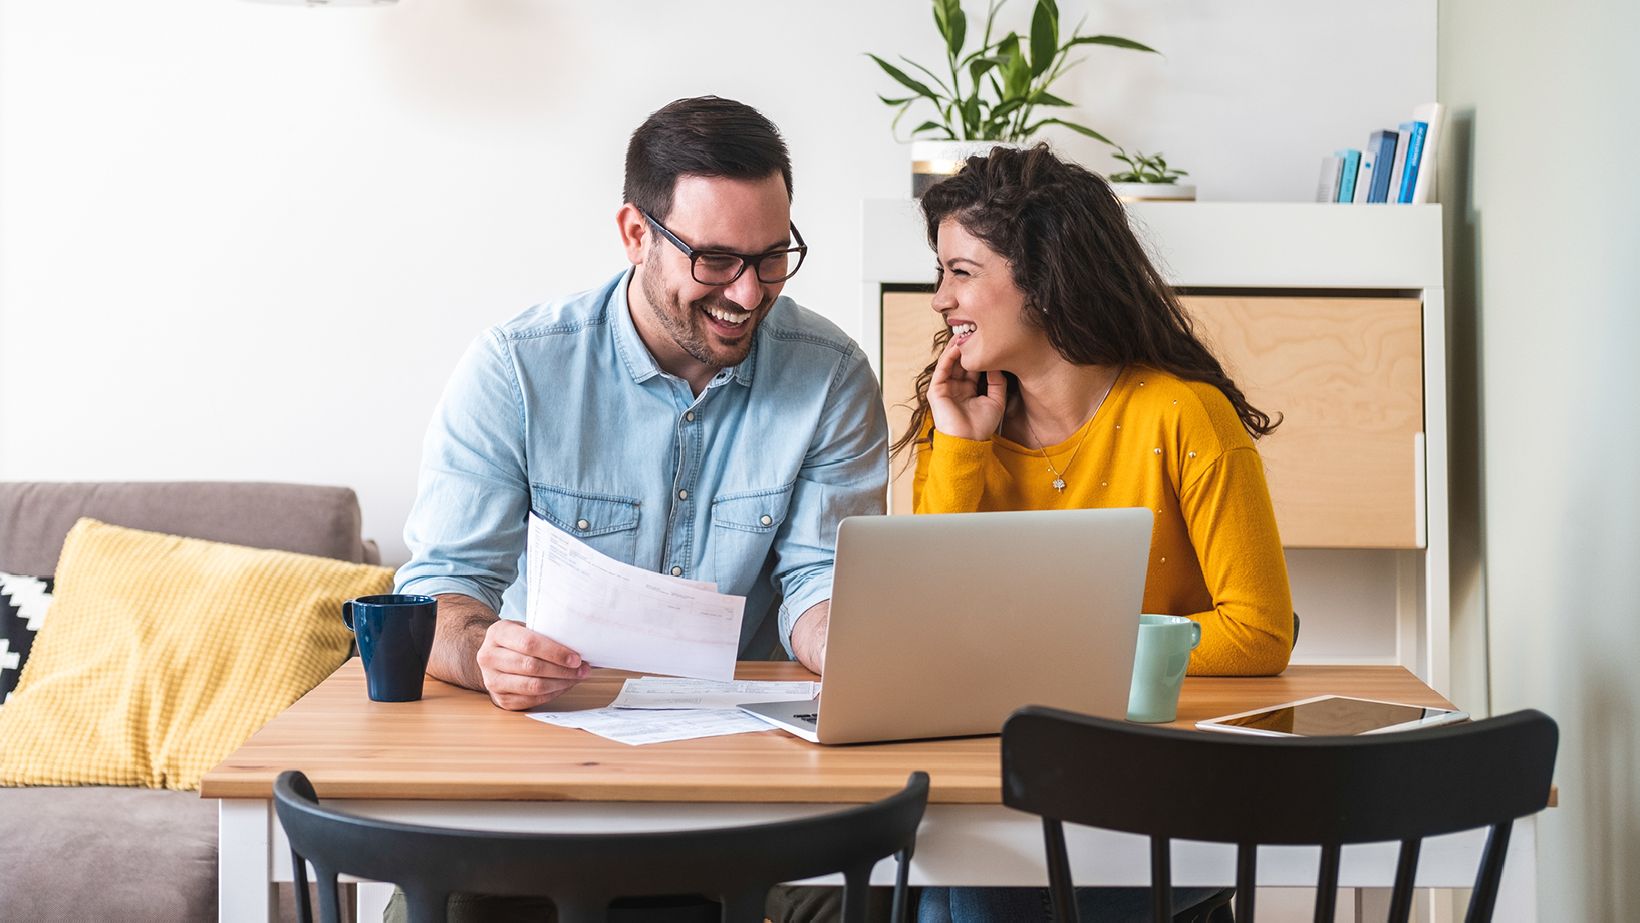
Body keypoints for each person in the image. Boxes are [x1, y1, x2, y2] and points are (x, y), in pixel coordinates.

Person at [904, 144, 1292, 922]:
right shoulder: (958, 428)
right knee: (951, 864)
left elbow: (1259, 632)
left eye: (963, 271)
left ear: (1043, 281)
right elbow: (931, 631)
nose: (941, 297)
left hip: (1154, 787)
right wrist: (964, 446)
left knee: (965, 883)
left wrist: (1067, 665)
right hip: (999, 778)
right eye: (941, 272)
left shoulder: (1182, 415)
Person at [396, 95, 886, 708]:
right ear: (635, 235)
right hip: (548, 725)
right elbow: (442, 590)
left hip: (745, 732)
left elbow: (819, 581)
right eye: (714, 260)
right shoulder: (514, 370)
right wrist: (487, 653)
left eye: (771, 258)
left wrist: (850, 643)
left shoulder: (831, 375)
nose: (748, 292)